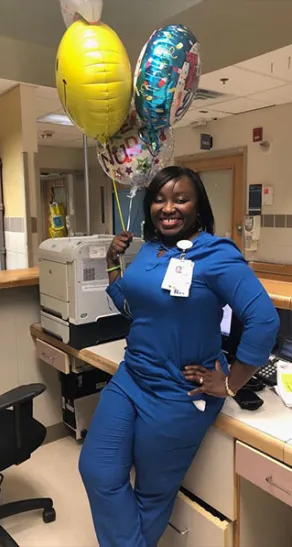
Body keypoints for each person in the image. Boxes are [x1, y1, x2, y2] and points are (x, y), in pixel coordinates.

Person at [78, 166, 280, 547]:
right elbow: (133, 309)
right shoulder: (152, 249)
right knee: (97, 470)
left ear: (198, 205)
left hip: (178, 394)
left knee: (152, 495)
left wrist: (231, 383)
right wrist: (110, 263)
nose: (167, 208)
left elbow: (264, 320)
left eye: (180, 199)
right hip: (131, 378)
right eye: (159, 199)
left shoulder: (216, 254)